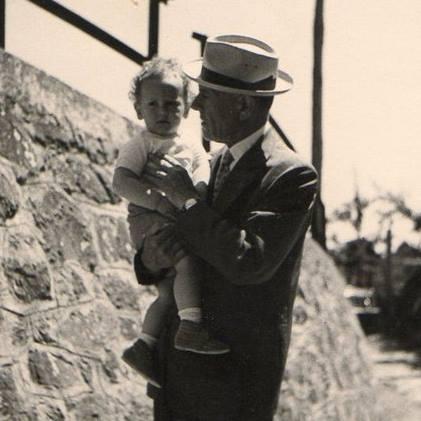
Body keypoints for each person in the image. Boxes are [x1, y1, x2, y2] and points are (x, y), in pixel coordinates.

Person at [136, 35, 318, 421]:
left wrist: (187, 201)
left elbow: (249, 262)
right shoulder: (209, 163)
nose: (195, 105)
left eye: (206, 95)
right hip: (176, 375)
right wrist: (149, 260)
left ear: (243, 105)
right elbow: (180, 247)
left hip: (234, 387)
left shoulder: (292, 176)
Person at [112, 57, 230, 388]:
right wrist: (158, 201)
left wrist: (192, 195)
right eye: (152, 104)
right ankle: (191, 326)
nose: (162, 111)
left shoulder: (193, 147)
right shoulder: (141, 143)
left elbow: (202, 183)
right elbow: (121, 182)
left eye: (172, 104)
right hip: (148, 218)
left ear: (187, 107)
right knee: (187, 262)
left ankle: (144, 345)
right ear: (138, 109)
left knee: (167, 293)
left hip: (175, 217)